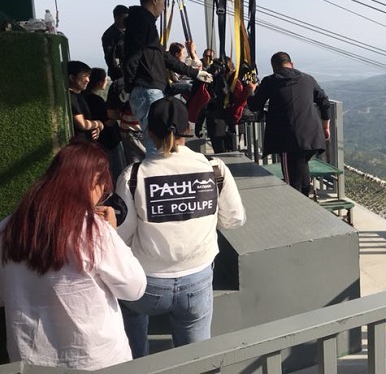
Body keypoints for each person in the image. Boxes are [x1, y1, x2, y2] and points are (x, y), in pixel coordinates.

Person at [115, 97, 246, 358]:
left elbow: (121, 235)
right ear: (188, 129)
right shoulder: (214, 168)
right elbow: (235, 220)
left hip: (147, 285)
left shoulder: (133, 175)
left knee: (129, 308)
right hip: (197, 281)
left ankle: (137, 361)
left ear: (149, 132)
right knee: (197, 357)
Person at [0, 141, 146, 370]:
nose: (101, 197)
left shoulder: (8, 228)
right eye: (103, 189)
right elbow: (134, 288)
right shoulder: (93, 230)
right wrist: (112, 234)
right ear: (93, 182)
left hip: (30, 361)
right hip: (95, 360)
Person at [122, 0, 212, 155]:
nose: (163, 7)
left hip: (148, 88)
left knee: (159, 141)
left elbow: (163, 56)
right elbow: (133, 57)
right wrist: (129, 84)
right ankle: (157, 172)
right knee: (157, 142)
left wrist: (194, 72)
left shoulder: (142, 23)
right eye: (163, 2)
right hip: (147, 88)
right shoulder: (141, 23)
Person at [247, 51, 331, 195]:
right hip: (312, 135)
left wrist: (250, 91)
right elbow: (324, 102)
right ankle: (306, 197)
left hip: (288, 138)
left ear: (274, 67)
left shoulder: (270, 81)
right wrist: (326, 127)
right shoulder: (308, 79)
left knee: (291, 180)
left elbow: (254, 106)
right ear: (291, 64)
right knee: (301, 166)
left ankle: (298, 202)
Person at [195, 57, 254, 153]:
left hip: (222, 122)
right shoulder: (221, 82)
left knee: (225, 151)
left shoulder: (234, 82)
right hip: (222, 121)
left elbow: (204, 104)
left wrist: (199, 124)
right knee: (224, 151)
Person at [84, 67, 125, 183]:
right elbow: (107, 120)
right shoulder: (97, 100)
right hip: (109, 140)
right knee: (117, 171)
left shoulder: (83, 98)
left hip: (97, 141)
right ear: (99, 83)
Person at [106, 77, 146, 165]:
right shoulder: (157, 79)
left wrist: (123, 115)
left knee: (135, 169)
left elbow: (111, 114)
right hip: (155, 131)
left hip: (130, 131)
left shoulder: (118, 84)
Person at [68, 60, 103, 142]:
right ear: (72, 78)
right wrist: (98, 123)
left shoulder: (79, 95)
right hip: (79, 143)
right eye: (85, 76)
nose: (88, 80)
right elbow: (82, 124)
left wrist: (95, 128)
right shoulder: (72, 97)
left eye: (88, 76)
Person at [101, 4, 129, 80]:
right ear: (117, 18)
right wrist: (120, 74)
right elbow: (110, 57)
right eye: (124, 18)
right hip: (119, 73)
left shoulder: (132, 31)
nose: (127, 21)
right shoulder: (109, 35)